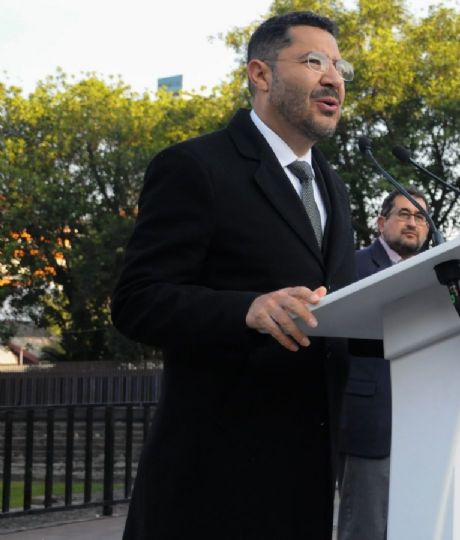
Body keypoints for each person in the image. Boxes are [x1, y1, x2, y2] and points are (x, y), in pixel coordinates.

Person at [111, 12, 356, 539]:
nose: (333, 77)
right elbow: (137, 299)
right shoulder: (195, 166)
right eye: (314, 61)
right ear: (260, 75)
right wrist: (245, 309)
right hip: (213, 487)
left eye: (339, 66)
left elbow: (338, 313)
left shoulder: (334, 189)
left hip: (308, 479)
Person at [337, 189, 430, 539]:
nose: (413, 223)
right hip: (372, 418)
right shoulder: (354, 265)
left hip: (424, 423)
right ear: (381, 222)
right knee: (367, 525)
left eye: (420, 217)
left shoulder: (434, 274)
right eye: (404, 214)